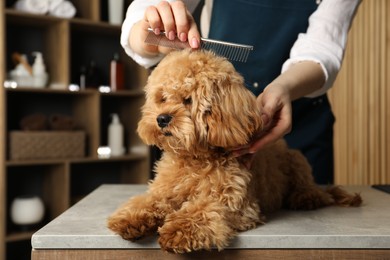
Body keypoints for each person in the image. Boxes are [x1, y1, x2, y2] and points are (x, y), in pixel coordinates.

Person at [120, 0, 361, 184]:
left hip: (301, 122)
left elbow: (322, 49)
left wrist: (283, 88)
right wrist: (149, 35)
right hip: (204, 129)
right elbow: (141, 21)